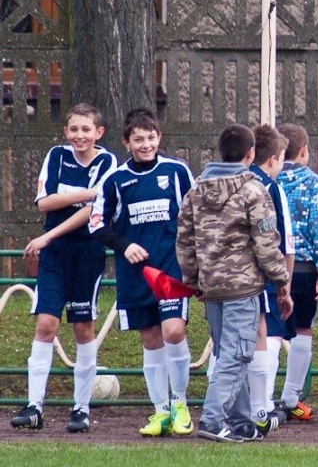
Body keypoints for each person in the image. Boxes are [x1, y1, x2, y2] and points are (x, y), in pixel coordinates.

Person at [176, 123, 293, 443]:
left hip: (211, 287)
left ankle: (241, 421)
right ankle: (213, 419)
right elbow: (267, 244)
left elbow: (184, 241)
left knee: (229, 354)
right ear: (250, 153)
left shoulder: (195, 191)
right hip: (243, 287)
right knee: (237, 353)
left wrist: (193, 280)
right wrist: (282, 282)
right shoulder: (254, 190)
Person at [10, 104, 117, 433]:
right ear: (65, 132)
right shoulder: (56, 155)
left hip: (86, 251)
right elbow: (44, 202)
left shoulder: (107, 161)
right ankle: (34, 406)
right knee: (46, 324)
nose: (79, 136)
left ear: (98, 133)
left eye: (87, 130)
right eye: (74, 130)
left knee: (83, 328)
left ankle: (81, 408)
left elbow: (90, 213)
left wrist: (47, 235)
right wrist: (88, 194)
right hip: (55, 254)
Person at [89, 107, 196, 437]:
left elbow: (196, 214)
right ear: (126, 142)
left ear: (159, 138)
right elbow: (97, 224)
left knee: (174, 331)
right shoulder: (115, 180)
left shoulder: (177, 172)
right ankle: (160, 411)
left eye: (151, 138)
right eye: (138, 139)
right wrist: (124, 245)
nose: (146, 144)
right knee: (151, 340)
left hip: (170, 268)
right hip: (135, 274)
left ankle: (180, 404)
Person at [274, 123, 318, 422]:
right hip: (305, 268)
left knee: (268, 331)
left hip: (269, 265)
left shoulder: (265, 178)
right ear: (305, 150)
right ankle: (291, 397)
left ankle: (260, 398)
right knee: (302, 330)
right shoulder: (314, 183)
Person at [246, 125, 294, 434]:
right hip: (257, 276)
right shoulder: (270, 187)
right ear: (274, 159)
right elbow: (285, 241)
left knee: (227, 340)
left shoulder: (226, 180)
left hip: (220, 276)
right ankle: (260, 409)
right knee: (263, 334)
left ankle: (223, 408)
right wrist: (284, 286)